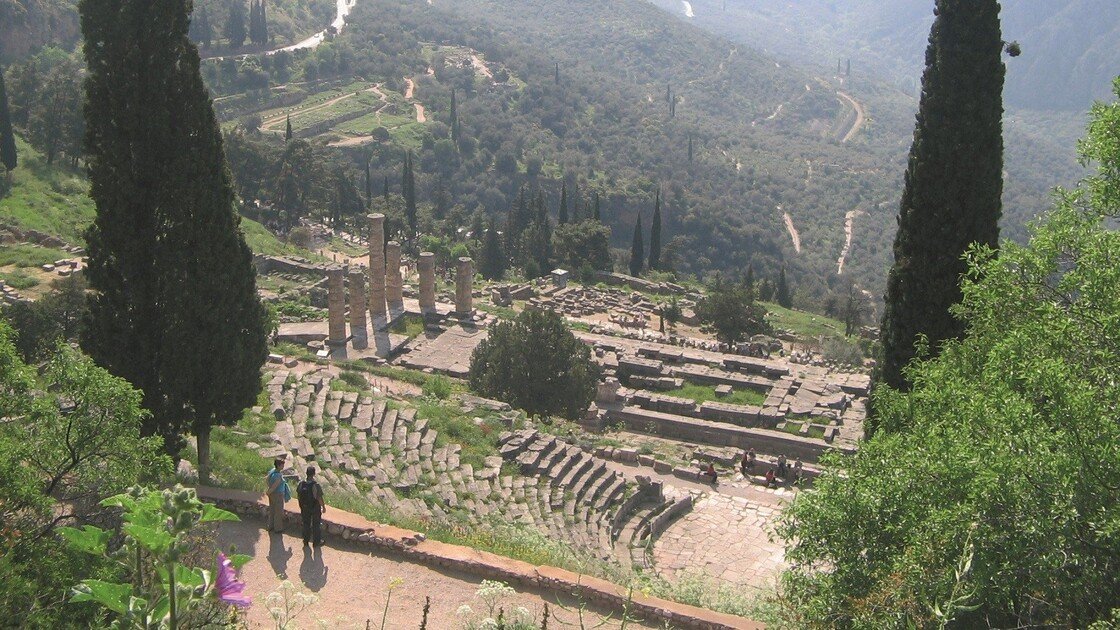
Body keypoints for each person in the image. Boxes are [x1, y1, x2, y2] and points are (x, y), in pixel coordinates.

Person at [297, 466, 326, 546]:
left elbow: (299, 495)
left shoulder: (301, 484)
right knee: (316, 525)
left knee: (306, 524)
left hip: (304, 507)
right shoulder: (315, 485)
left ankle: (305, 540)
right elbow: (319, 497)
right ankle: (316, 542)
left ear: (306, 473)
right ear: (313, 474)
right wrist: (323, 507)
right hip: (315, 508)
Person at [266, 457, 290, 532]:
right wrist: (269, 492)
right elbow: (274, 486)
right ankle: (278, 528)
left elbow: (267, 479)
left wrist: (269, 490)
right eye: (282, 465)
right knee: (278, 512)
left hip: (272, 494)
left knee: (272, 510)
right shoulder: (278, 476)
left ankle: (270, 526)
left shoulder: (272, 471)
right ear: (279, 465)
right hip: (278, 494)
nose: (283, 466)